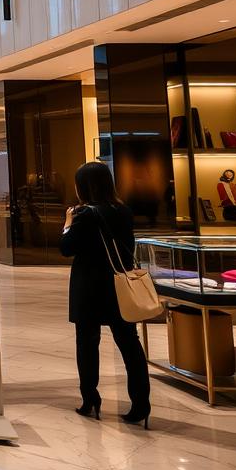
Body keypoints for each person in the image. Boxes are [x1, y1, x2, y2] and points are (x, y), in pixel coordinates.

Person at [60, 161, 150, 429]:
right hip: (120, 286)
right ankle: (141, 404)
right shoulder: (122, 210)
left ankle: (90, 399)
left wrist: (67, 223)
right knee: (130, 345)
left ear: (83, 186)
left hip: (89, 287)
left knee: (87, 345)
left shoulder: (85, 214)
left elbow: (67, 247)